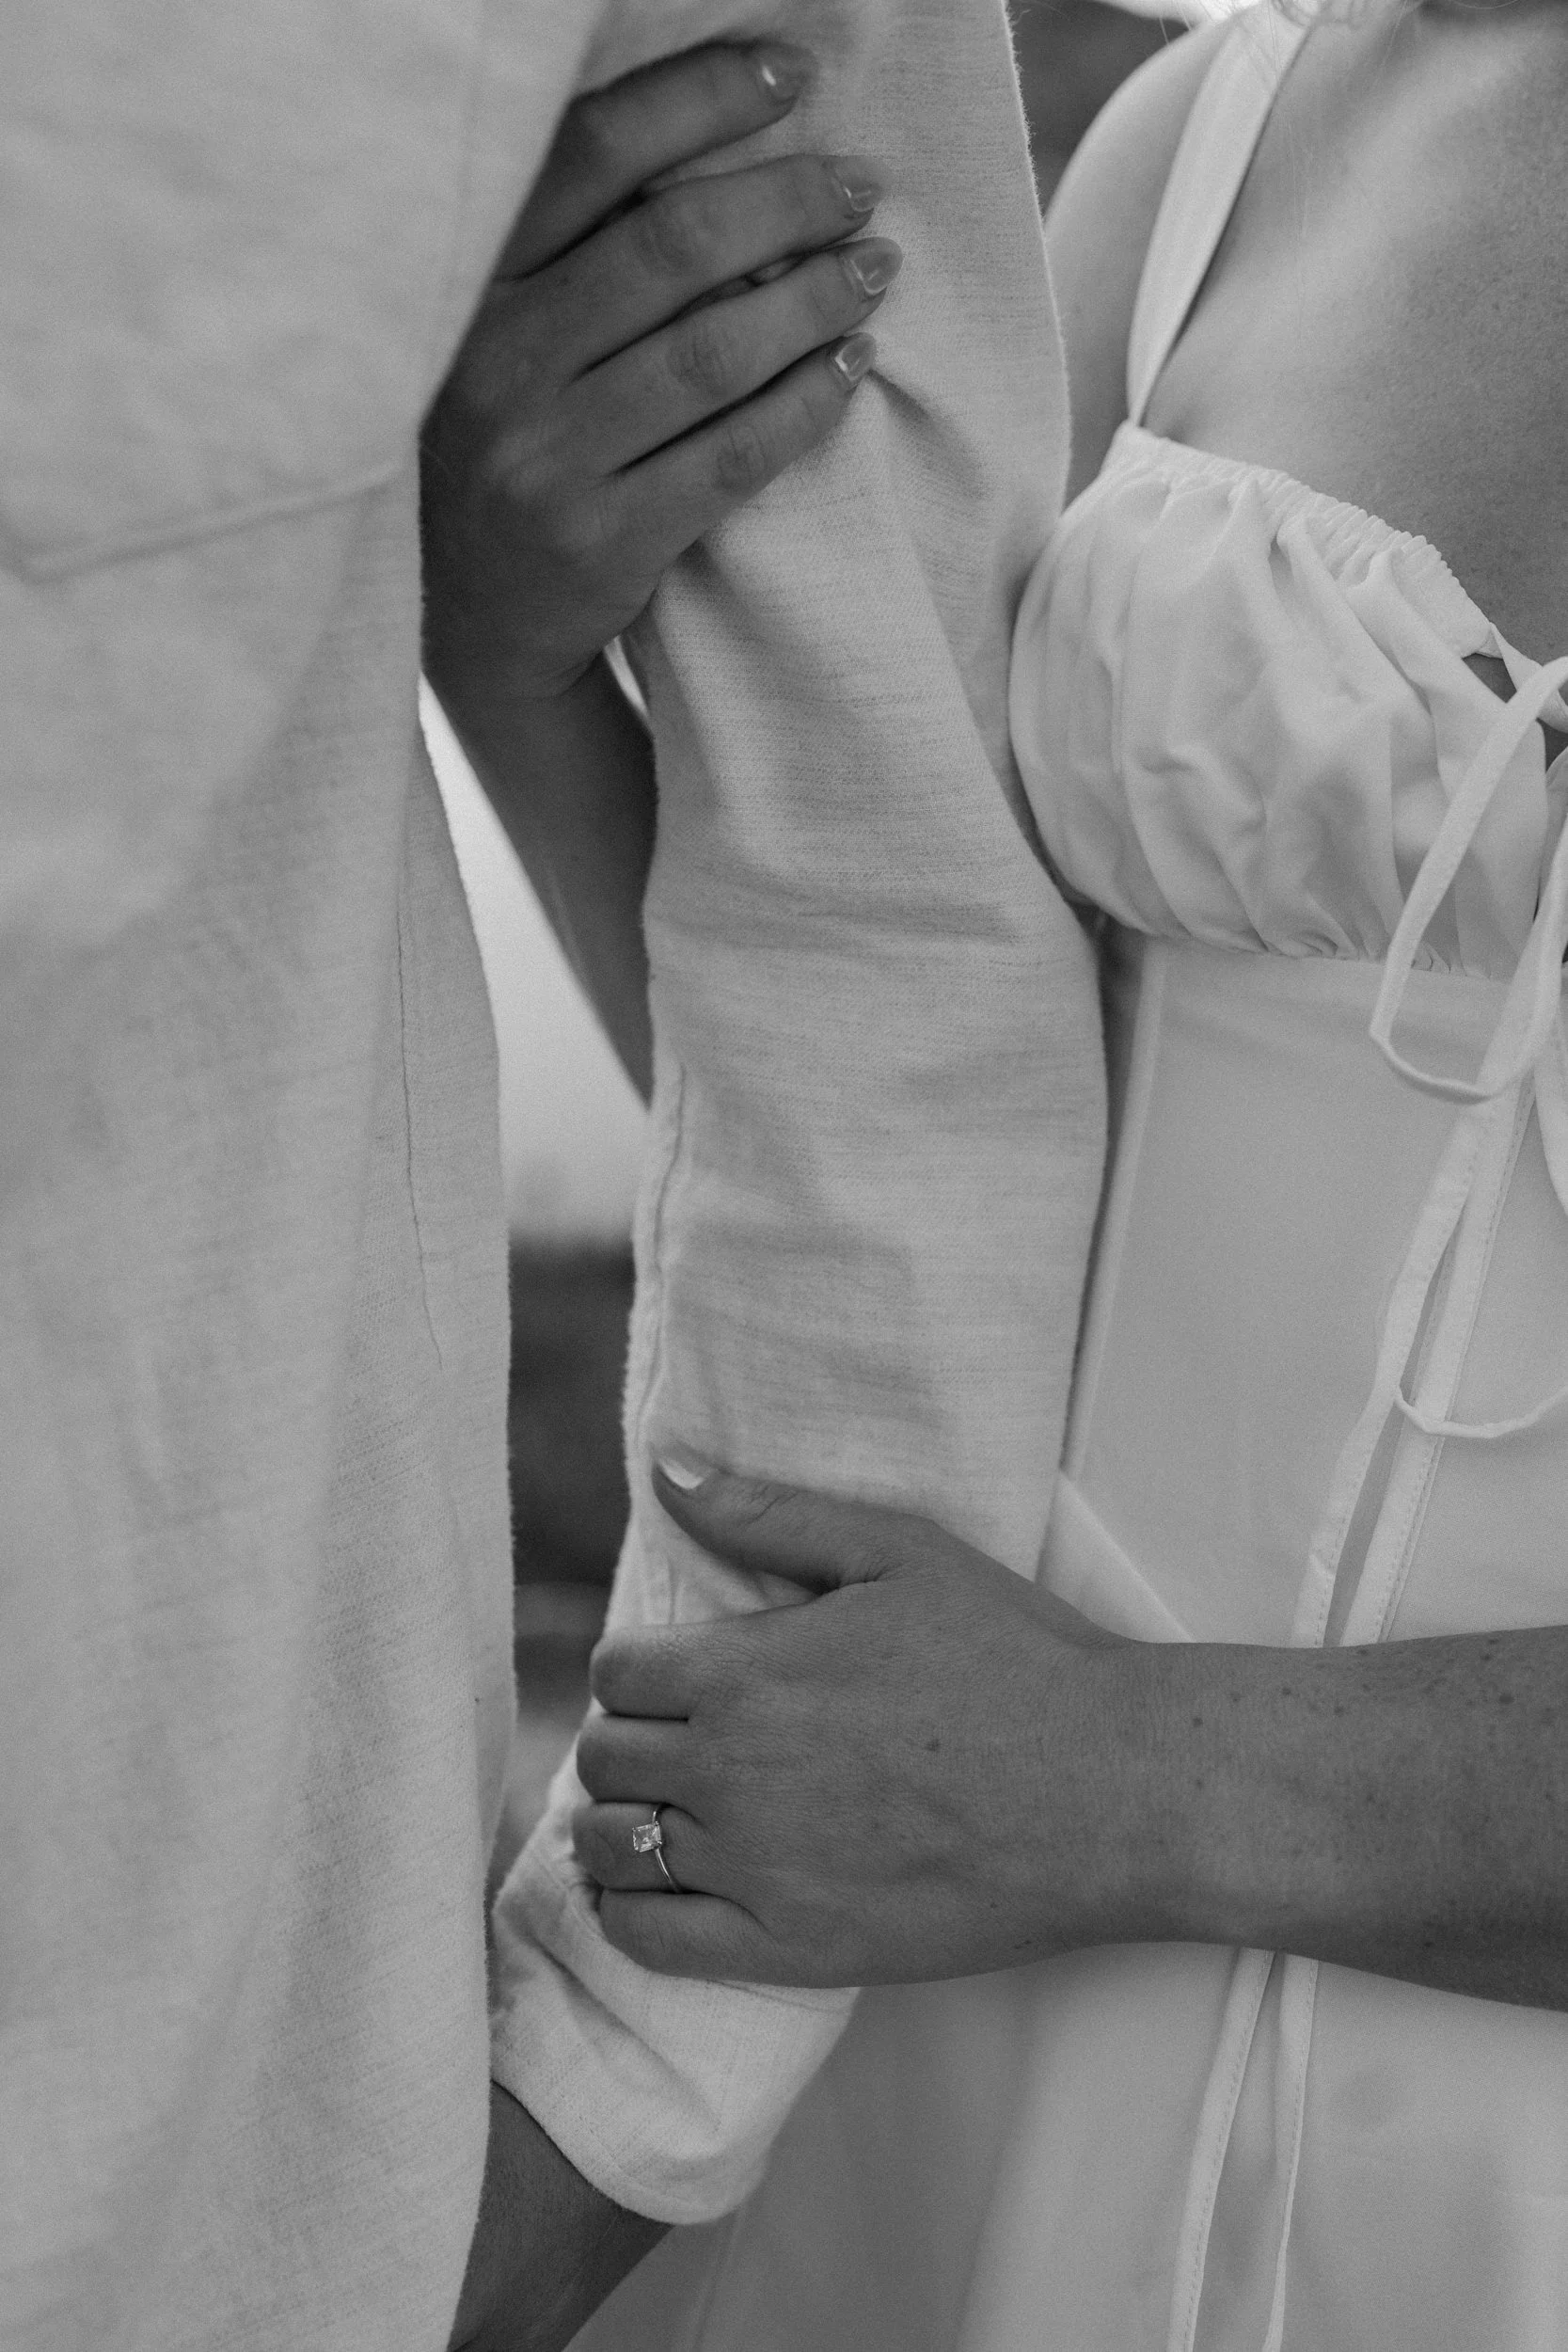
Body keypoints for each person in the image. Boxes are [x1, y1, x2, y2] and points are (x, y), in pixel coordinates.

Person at [448, 2, 1568, 2345]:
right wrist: (520, 664)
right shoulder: (1194, 147)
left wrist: (1143, 1781)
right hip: (925, 2020)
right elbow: (904, 1151)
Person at [2, 8, 1101, 2349]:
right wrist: (496, 654)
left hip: (153, 2123)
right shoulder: (1201, 154)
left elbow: (890, 949)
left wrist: (607, 2095)